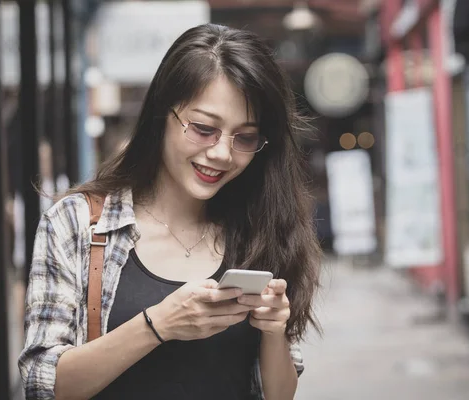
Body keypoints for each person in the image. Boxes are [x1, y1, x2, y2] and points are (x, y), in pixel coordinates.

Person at [18, 23, 322, 400]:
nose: (222, 154)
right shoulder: (77, 224)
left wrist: (274, 331)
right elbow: (41, 383)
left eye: (244, 137)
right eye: (204, 128)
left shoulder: (260, 228)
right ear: (162, 115)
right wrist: (158, 324)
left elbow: (278, 395)